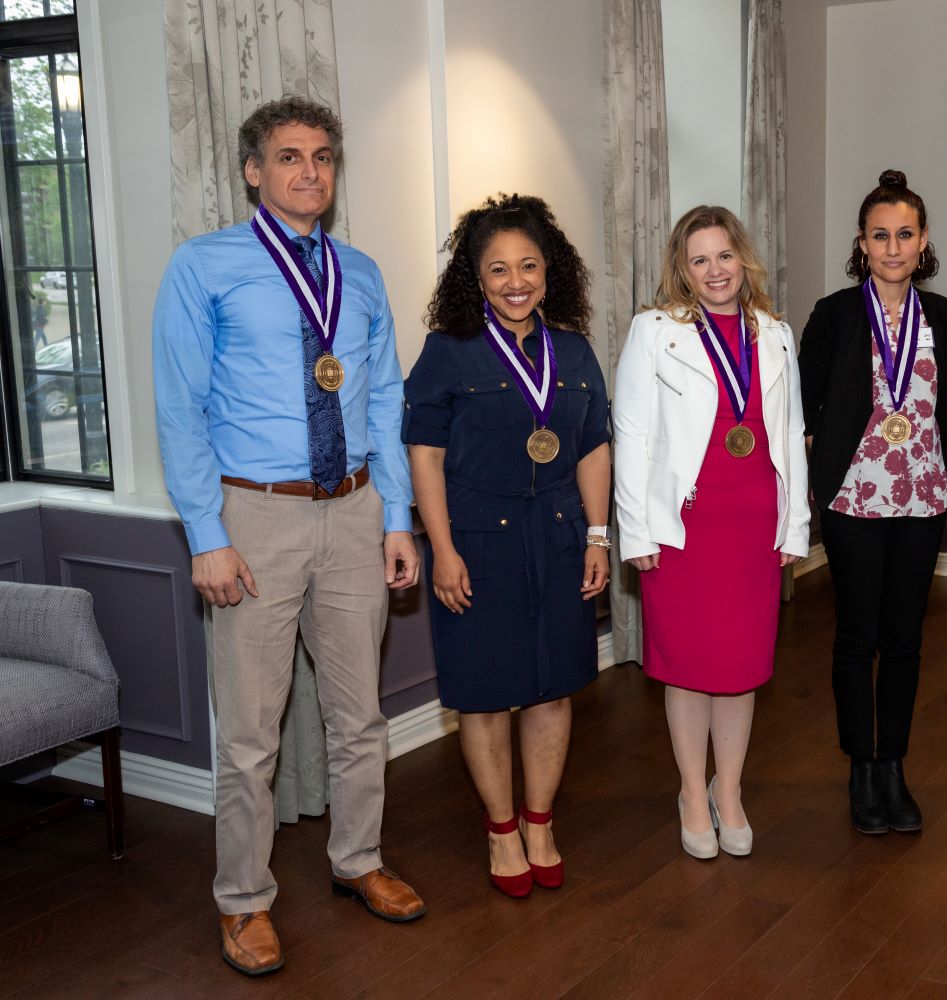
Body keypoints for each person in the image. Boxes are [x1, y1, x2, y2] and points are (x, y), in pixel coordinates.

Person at [153, 96, 424, 978]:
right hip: (252, 518)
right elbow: (179, 408)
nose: (309, 171)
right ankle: (243, 901)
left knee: (360, 718)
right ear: (253, 171)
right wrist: (206, 534)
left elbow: (384, 400)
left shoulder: (363, 272)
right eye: (289, 156)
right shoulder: (205, 267)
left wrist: (394, 517)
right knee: (250, 733)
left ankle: (359, 862)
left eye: (322, 157)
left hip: (352, 509)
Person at [403, 194, 610, 898]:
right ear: (476, 277)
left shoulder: (574, 349)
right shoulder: (447, 351)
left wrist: (598, 534)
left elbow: (590, 448)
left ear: (550, 272)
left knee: (553, 689)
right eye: (498, 269)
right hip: (475, 542)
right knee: (486, 695)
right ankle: (501, 832)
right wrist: (443, 549)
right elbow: (423, 456)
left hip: (557, 536)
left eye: (528, 266)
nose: (515, 281)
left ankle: (541, 823)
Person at [613, 205, 810, 859]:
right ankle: (692, 794)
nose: (714, 270)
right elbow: (633, 434)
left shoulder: (775, 333)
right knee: (688, 667)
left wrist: (795, 524)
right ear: (682, 269)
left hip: (754, 525)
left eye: (724, 255)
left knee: (742, 668)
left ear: (742, 258)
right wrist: (635, 531)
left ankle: (730, 791)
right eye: (699, 259)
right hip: (684, 529)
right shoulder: (655, 331)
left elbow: (790, 437)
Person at [798, 169, 947, 836]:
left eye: (904, 234)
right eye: (879, 236)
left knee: (903, 640)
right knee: (856, 635)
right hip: (853, 499)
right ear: (861, 245)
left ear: (923, 242)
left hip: (922, 497)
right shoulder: (834, 315)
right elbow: (806, 411)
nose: (893, 247)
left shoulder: (946, 317)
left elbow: (945, 405)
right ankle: (859, 765)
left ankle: (893, 761)